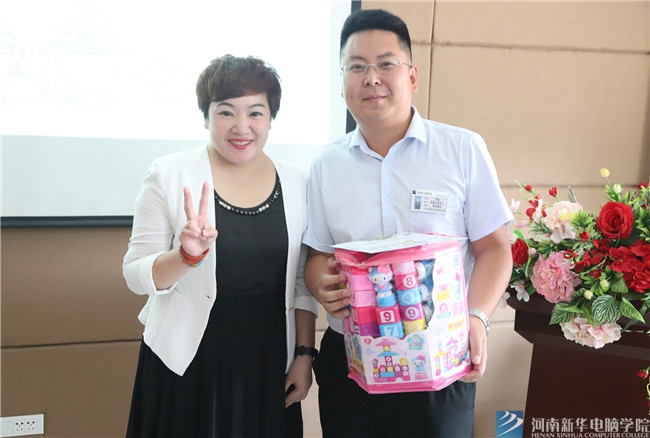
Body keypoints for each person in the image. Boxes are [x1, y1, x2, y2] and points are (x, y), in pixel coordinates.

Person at [303, 9, 513, 438]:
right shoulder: (326, 164)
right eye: (356, 67)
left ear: (412, 76)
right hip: (351, 359)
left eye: (386, 63)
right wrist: (320, 284)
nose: (371, 78)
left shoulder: (461, 149)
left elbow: (494, 248)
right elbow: (318, 255)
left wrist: (476, 318)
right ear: (341, 83)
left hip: (438, 356)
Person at [123, 54, 318, 438]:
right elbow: (135, 273)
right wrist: (186, 256)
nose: (241, 127)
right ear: (206, 116)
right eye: (226, 112)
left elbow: (300, 281)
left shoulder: (298, 183)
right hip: (187, 357)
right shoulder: (169, 173)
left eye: (255, 113)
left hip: (267, 357)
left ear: (271, 118)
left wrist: (304, 354)